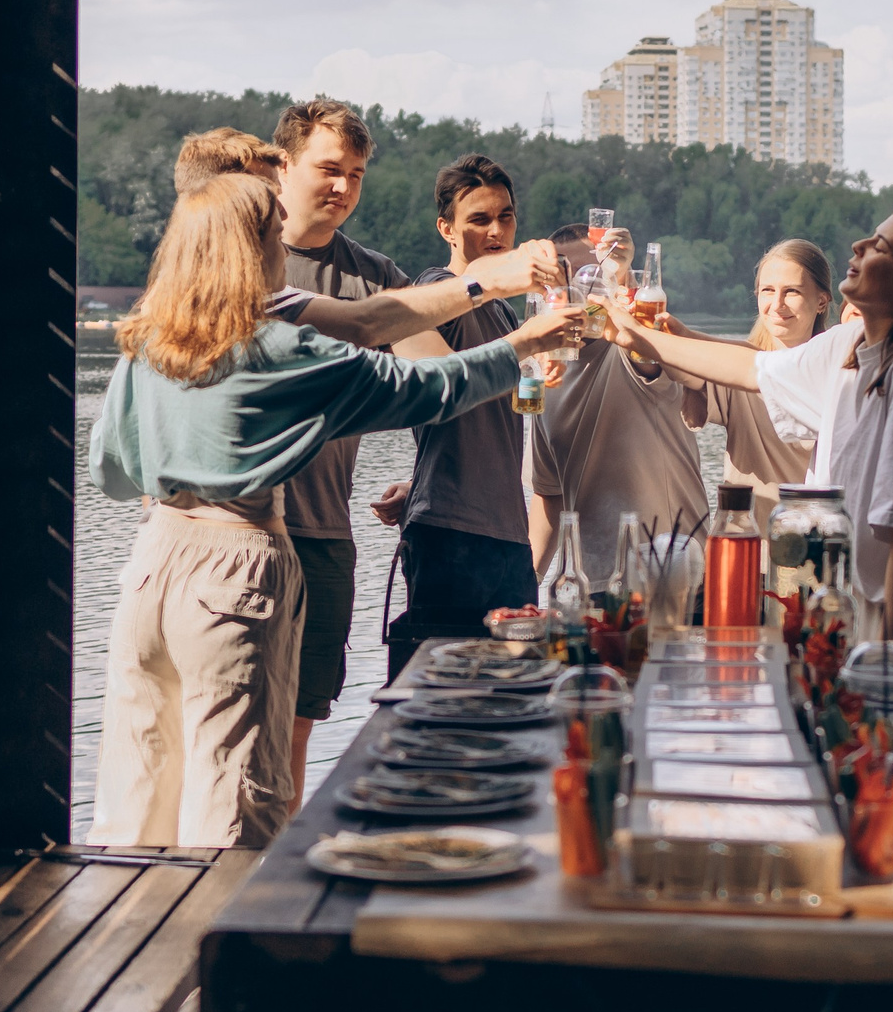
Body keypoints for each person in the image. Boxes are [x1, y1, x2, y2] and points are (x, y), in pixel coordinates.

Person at [87, 173, 576, 847]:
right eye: (274, 236)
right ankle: (232, 917)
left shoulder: (147, 341)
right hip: (234, 568)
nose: (284, 250)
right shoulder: (280, 349)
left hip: (150, 569)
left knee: (140, 786)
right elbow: (426, 387)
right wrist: (526, 343)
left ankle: (135, 913)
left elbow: (111, 473)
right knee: (234, 797)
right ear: (252, 251)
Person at [605, 207, 893, 639]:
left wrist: (887, 659)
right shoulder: (851, 345)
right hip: (869, 609)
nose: (858, 246)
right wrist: (638, 336)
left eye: (880, 246)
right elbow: (751, 368)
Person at [175, 121, 559, 353]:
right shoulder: (212, 296)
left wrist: (528, 346)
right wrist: (484, 283)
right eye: (329, 169)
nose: (344, 187)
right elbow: (363, 324)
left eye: (356, 174)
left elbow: (435, 378)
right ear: (285, 167)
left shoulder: (375, 275)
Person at [382, 155, 551, 678]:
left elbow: (493, 418)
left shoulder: (503, 310)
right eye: (479, 220)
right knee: (441, 694)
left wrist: (538, 370)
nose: (496, 231)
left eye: (505, 216)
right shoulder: (436, 293)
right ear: (447, 229)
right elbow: (430, 381)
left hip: (509, 536)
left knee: (515, 695)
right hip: (450, 535)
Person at [527, 234, 708, 585]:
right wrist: (525, 584)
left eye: (591, 275)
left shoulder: (633, 348)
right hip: (592, 586)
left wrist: (624, 276)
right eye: (562, 276)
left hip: (675, 581)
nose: (579, 289)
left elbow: (647, 353)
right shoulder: (545, 371)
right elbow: (549, 493)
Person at [680, 239, 830, 525]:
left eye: (792, 291)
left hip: (822, 540)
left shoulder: (840, 370)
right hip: (746, 542)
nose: (777, 304)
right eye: (767, 290)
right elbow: (686, 373)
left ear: (822, 301)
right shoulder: (738, 366)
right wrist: (658, 335)